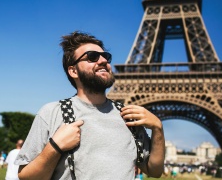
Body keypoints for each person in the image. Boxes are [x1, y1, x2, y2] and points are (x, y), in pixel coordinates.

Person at [15, 31, 165, 179]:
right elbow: (26, 177)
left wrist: (158, 128)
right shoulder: (52, 112)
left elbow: (154, 171)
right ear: (73, 71)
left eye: (106, 57)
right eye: (92, 57)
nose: (103, 61)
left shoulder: (129, 116)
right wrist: (55, 147)